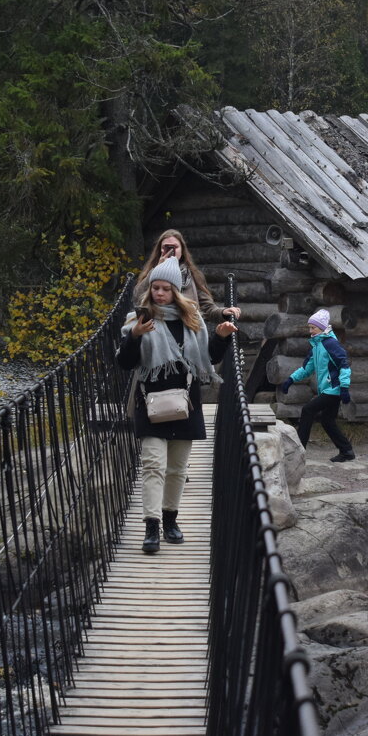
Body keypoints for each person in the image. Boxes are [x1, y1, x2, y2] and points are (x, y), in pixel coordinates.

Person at [118, 257, 237, 553]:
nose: (159, 293)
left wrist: (221, 337)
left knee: (177, 469)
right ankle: (152, 527)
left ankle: (171, 520)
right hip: (150, 402)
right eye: (155, 287)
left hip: (186, 403)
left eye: (165, 289)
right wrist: (134, 337)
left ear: (176, 291)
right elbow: (124, 363)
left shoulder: (191, 320)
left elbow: (207, 359)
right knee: (153, 465)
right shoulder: (138, 320)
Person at [280, 309, 355, 462]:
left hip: (333, 389)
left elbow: (344, 365)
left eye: (313, 327)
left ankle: (299, 450)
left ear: (322, 328)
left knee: (307, 410)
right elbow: (307, 368)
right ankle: (347, 451)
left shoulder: (330, 344)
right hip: (327, 390)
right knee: (327, 421)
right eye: (309, 327)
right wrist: (290, 380)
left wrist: (345, 388)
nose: (310, 331)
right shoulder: (316, 345)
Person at [134, 229, 241, 322]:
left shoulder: (193, 276)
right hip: (158, 327)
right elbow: (138, 297)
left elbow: (207, 307)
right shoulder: (151, 272)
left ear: (182, 250)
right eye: (166, 247)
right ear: (160, 250)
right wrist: (157, 269)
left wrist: (222, 312)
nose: (171, 251)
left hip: (188, 328)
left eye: (174, 247)